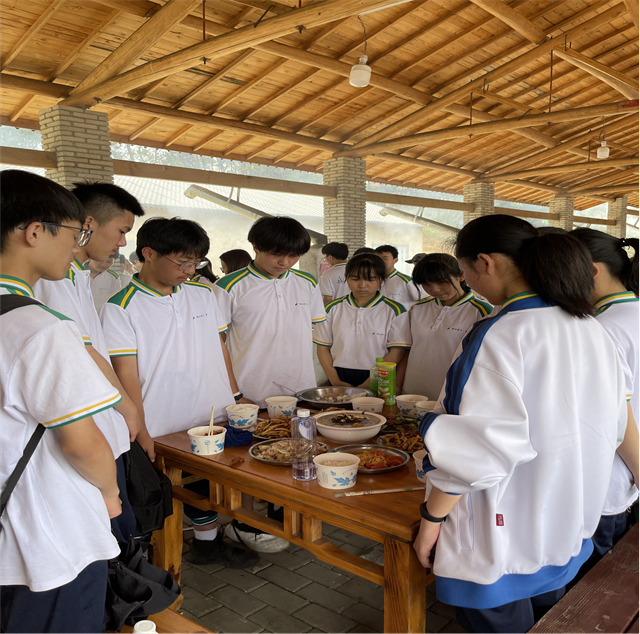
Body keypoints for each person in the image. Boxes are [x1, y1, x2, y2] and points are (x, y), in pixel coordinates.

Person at [413, 215, 627, 634]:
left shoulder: (500, 333)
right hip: (565, 522)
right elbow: (615, 423)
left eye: (466, 273)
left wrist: (431, 520)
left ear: (486, 263)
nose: (468, 283)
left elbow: (474, 451)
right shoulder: (590, 327)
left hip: (500, 535)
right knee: (545, 616)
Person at [0, 170, 121, 634]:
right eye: (76, 234)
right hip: (47, 539)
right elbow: (80, 444)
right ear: (34, 232)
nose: (77, 247)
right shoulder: (39, 328)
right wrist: (109, 493)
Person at [101, 217, 258, 568]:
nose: (190, 270)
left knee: (213, 484)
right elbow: (127, 376)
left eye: (196, 262)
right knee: (171, 491)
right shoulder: (121, 306)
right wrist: (140, 430)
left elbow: (220, 346)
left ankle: (207, 543)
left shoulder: (204, 294)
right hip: (164, 423)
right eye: (182, 262)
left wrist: (236, 394)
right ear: (149, 253)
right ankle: (157, 560)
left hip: (213, 412)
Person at [33, 181, 145, 543]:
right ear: (89, 223)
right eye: (122, 231)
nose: (122, 243)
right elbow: (82, 352)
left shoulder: (76, 275)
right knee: (112, 539)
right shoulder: (55, 280)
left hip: (103, 429)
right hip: (89, 433)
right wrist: (129, 408)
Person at [215, 217, 325, 552]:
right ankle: (245, 522)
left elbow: (316, 332)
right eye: (277, 254)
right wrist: (235, 392)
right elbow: (216, 343)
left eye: (292, 256)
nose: (285, 263)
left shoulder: (306, 283)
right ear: (256, 247)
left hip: (298, 390)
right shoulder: (229, 286)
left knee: (298, 453)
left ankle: (284, 515)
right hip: (249, 392)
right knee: (245, 460)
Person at [571, 228, 640, 560]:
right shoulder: (633, 312)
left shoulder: (602, 329)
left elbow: (617, 413)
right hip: (627, 477)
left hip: (608, 477)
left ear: (592, 271)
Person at [398, 254, 491, 399]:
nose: (435, 289)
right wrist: (397, 385)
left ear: (461, 276)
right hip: (412, 391)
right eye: (426, 284)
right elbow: (406, 351)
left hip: (452, 393)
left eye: (442, 282)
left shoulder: (482, 311)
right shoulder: (417, 309)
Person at [314, 253, 411, 388]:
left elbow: (397, 352)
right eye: (355, 279)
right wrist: (335, 380)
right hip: (338, 374)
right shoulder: (331, 308)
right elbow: (323, 348)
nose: (362, 285)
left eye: (370, 280)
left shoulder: (395, 310)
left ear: (381, 280)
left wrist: (371, 381)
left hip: (380, 375)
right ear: (346, 278)